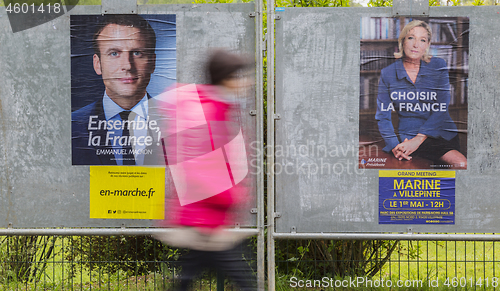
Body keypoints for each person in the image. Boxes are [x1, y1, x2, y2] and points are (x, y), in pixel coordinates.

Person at [154, 50, 256, 291]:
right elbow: (198, 167)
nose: (247, 81)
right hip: (207, 214)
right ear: (226, 78)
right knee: (243, 281)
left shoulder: (217, 108)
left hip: (208, 214)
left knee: (189, 277)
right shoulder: (209, 112)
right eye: (241, 76)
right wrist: (231, 197)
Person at [72, 14, 163, 165]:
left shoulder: (177, 122)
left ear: (152, 63)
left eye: (137, 53)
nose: (127, 65)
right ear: (97, 64)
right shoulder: (73, 125)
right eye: (114, 53)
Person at [375, 20, 467, 169]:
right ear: (403, 41)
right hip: (409, 137)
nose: (416, 44)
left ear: (427, 45)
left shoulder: (439, 65)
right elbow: (383, 117)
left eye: (422, 40)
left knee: (459, 166)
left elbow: (441, 107)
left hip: (441, 133)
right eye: (411, 38)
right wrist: (394, 146)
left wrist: (418, 140)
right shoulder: (388, 73)